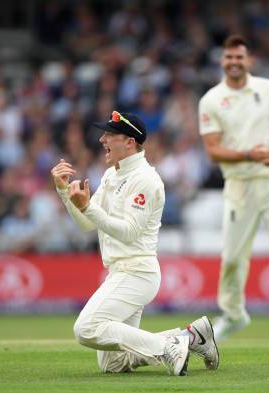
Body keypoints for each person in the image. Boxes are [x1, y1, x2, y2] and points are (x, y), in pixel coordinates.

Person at [51, 111, 219, 375]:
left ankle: (168, 346)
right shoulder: (111, 175)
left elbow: (129, 232)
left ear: (129, 141)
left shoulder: (145, 179)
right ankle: (193, 337)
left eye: (109, 135)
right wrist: (65, 192)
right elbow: (87, 223)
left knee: (86, 329)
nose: (102, 139)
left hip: (137, 272)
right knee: (112, 364)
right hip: (120, 273)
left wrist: (88, 209)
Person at [198, 35, 269, 345]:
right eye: (229, 58)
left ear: (249, 61)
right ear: (222, 61)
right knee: (233, 258)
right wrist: (249, 154)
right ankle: (233, 315)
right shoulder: (211, 99)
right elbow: (213, 150)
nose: (234, 62)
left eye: (239, 58)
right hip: (239, 183)